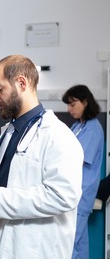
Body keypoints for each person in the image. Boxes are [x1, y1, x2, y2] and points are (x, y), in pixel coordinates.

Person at [0, 55, 84, 259]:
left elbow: (63, 195)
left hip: (29, 251)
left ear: (21, 83)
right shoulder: (10, 132)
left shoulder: (58, 136)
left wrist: (0, 200)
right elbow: (8, 176)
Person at [62, 84, 104, 259]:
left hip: (81, 192)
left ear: (85, 102)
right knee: (79, 243)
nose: (69, 109)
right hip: (74, 190)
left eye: (73, 104)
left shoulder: (92, 128)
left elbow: (75, 160)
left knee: (69, 243)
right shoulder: (78, 126)